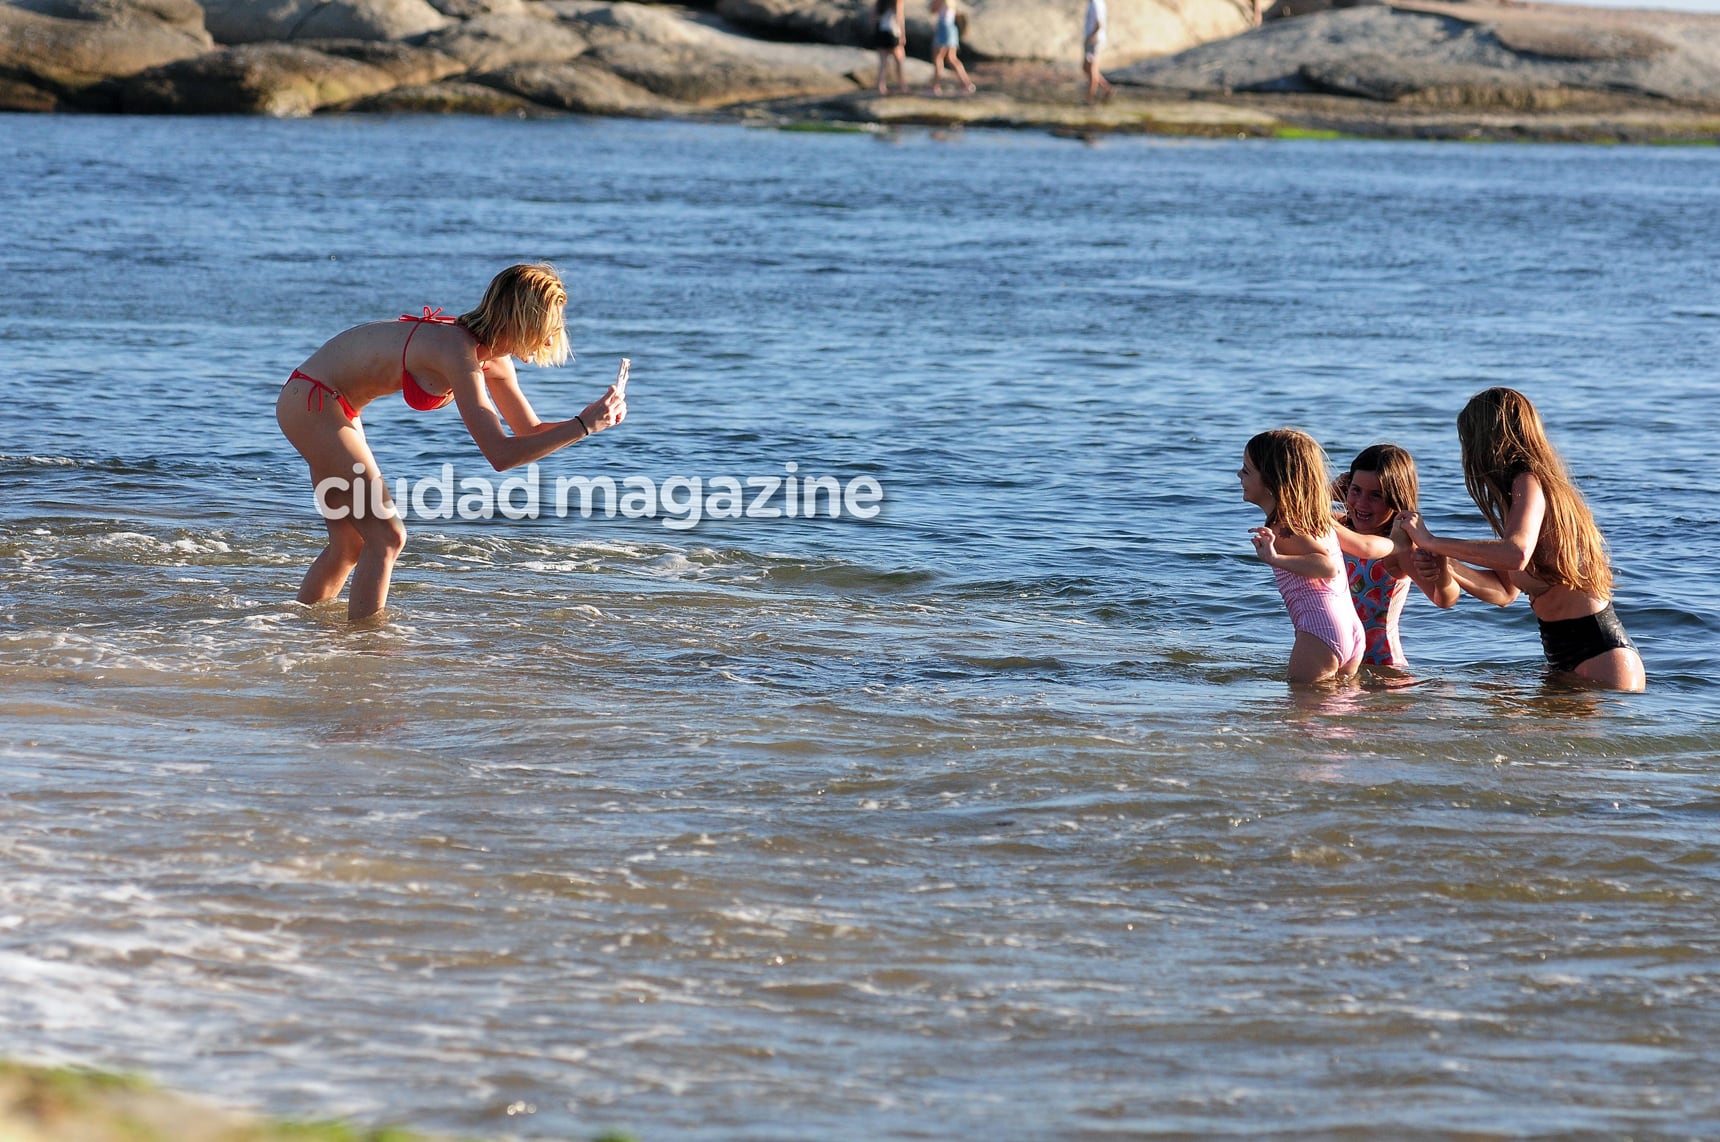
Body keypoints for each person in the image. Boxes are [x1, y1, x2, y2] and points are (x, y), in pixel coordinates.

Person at [275, 263, 627, 622]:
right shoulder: (455, 349)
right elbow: (500, 454)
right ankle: (367, 651)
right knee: (388, 537)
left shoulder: (495, 361)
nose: (554, 333)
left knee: (350, 545)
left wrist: (585, 421)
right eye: (550, 322)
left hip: (330, 405)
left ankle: (295, 629)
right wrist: (582, 427)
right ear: (524, 319)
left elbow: (528, 432)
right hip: (313, 401)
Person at [1398, 387, 1645, 692]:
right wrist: (1447, 563)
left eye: (1468, 439)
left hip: (1599, 654)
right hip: (1566, 657)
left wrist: (1432, 541)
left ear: (1488, 439)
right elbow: (1503, 592)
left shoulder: (1527, 480)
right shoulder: (1521, 495)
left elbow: (1515, 554)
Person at [1240, 428, 1366, 685]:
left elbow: (1326, 566)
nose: (1239, 475)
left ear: (1272, 481)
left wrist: (1275, 558)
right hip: (1349, 628)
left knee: (1301, 718)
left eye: (1246, 470)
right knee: (1338, 718)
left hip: (1320, 629)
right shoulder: (1314, 519)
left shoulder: (1283, 527)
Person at [1332, 443, 1459, 668]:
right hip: (1337, 662)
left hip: (1382, 670)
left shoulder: (1397, 548)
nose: (1361, 503)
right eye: (1356, 490)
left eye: (1376, 495)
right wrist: (1332, 489)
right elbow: (1298, 509)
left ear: (1396, 498)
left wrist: (1441, 576)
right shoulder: (1339, 527)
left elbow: (1445, 599)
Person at [929, 0, 975, 95]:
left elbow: (933, 10)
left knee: (938, 57)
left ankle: (935, 86)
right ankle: (967, 84)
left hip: (944, 27)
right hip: (952, 28)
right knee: (952, 58)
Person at [1082, 0, 1113, 104]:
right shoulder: (1094, 3)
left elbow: (1099, 23)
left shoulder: (1096, 3)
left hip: (1094, 40)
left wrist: (1091, 37)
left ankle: (1090, 98)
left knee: (1092, 69)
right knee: (1086, 67)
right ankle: (1107, 89)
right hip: (1092, 38)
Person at [873, 0, 907, 95]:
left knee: (883, 62)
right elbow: (899, 17)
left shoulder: (880, 2)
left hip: (881, 32)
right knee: (899, 60)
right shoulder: (897, 1)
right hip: (893, 32)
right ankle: (902, 86)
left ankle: (881, 87)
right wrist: (903, 35)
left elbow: (873, 18)